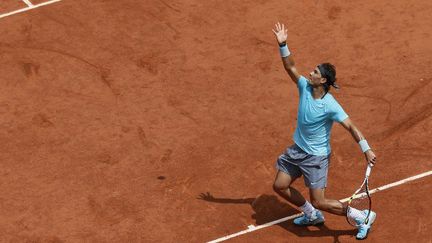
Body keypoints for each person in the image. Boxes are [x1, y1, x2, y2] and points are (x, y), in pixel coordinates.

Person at [271, 22, 377, 240]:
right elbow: (290, 67)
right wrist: (283, 44)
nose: (310, 72)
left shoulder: (331, 105)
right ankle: (312, 215)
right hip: (297, 150)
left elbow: (350, 126)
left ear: (324, 80)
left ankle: (361, 216)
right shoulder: (305, 87)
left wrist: (366, 149)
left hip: (316, 158)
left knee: (320, 199)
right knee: (280, 185)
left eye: (315, 72)